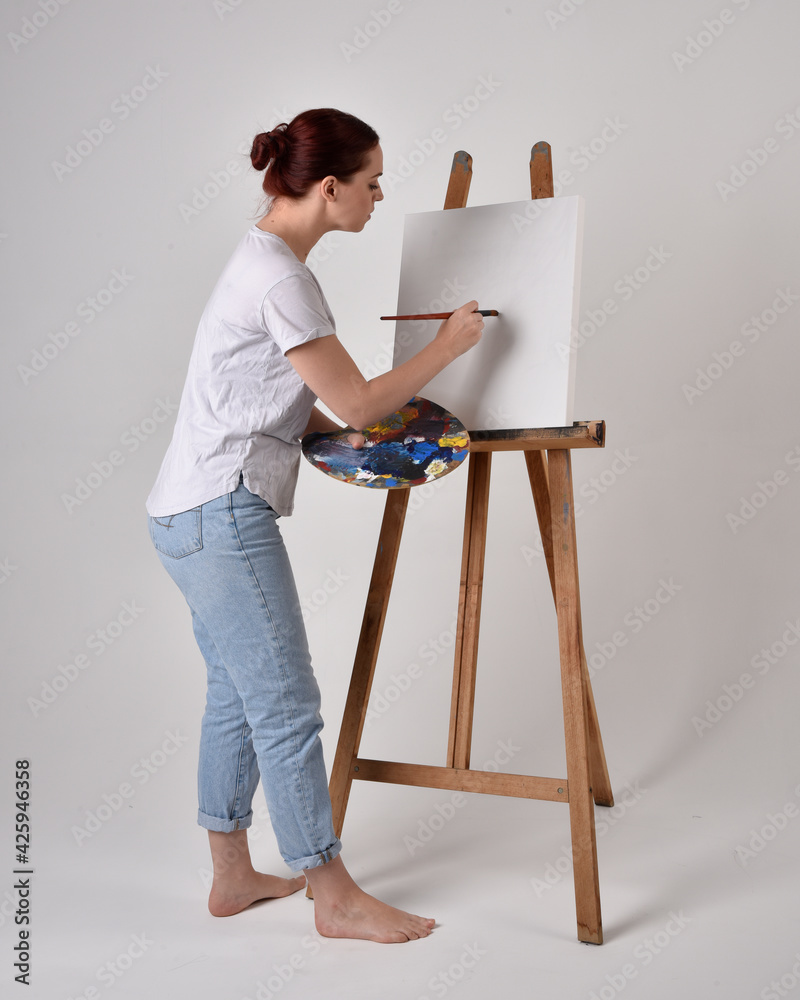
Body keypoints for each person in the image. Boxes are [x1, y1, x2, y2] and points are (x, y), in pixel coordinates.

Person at [146, 107, 483, 943]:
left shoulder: (263, 259)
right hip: (221, 512)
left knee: (239, 690)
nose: (377, 197)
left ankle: (231, 877)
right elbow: (360, 402)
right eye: (370, 183)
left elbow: (276, 404)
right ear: (329, 188)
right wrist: (450, 345)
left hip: (183, 512)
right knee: (288, 704)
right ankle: (331, 895)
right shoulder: (280, 277)